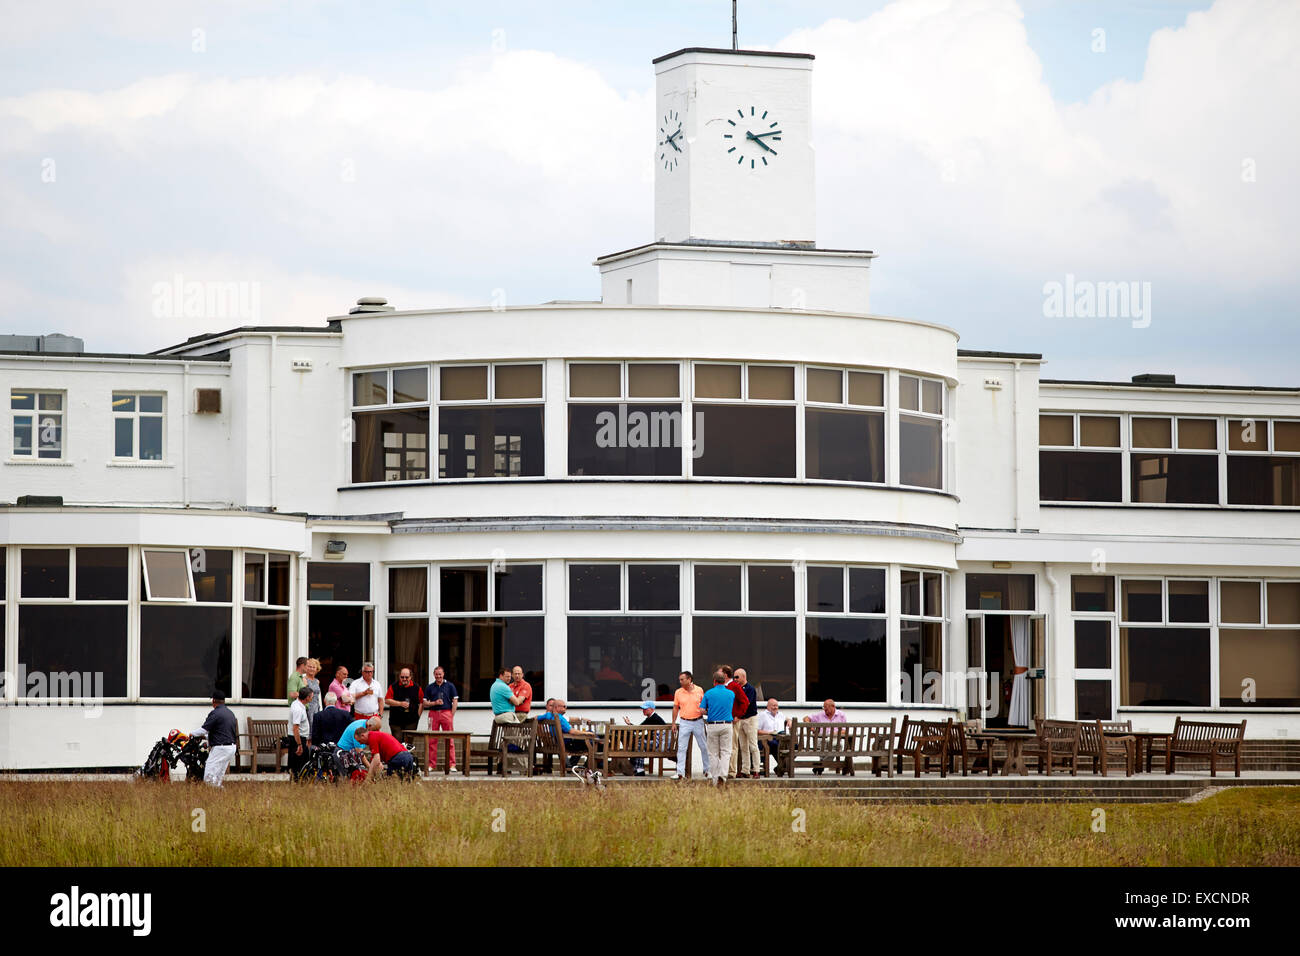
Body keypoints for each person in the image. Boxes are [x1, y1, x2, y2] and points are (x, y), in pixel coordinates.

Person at [191, 692, 238, 787]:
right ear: (224, 701)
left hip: (220, 748)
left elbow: (204, 730)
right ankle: (219, 794)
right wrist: (205, 737)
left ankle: (211, 793)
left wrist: (192, 734)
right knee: (218, 775)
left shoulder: (215, 713)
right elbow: (221, 733)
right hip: (231, 748)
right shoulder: (230, 713)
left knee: (209, 776)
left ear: (213, 701)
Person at [700, 671, 736, 787]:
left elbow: (701, 710)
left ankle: (715, 780)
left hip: (713, 725)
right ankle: (723, 775)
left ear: (714, 681)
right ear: (724, 681)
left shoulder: (708, 693)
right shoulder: (731, 694)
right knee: (726, 752)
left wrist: (709, 711)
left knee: (713, 753)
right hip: (727, 725)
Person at [421, 665, 459, 770]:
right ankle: (431, 765)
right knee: (432, 740)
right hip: (433, 713)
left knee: (450, 739)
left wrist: (451, 714)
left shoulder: (450, 686)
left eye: (440, 674)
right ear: (434, 675)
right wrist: (434, 703)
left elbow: (455, 700)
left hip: (446, 712)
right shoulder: (430, 687)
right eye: (436, 674)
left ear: (443, 674)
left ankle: (452, 764)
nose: (438, 676)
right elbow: (424, 703)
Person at [672, 670, 707, 780]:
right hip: (684, 721)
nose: (680, 682)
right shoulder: (678, 692)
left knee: (704, 746)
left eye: (682, 679)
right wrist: (673, 722)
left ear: (689, 679)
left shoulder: (699, 690)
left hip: (698, 721)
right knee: (682, 748)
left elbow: (705, 705)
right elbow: (675, 707)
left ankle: (707, 770)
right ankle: (680, 773)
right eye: (680, 680)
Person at [721, 665, 752, 779]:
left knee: (732, 746)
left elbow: (745, 701)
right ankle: (724, 769)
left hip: (732, 720)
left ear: (725, 674)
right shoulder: (720, 687)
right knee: (723, 747)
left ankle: (732, 771)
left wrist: (739, 715)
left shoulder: (734, 686)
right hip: (722, 720)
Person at [804, 698, 848, 775]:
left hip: (834, 740)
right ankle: (821, 766)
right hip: (822, 740)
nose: (824, 709)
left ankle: (819, 766)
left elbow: (844, 731)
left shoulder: (841, 715)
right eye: (823, 707)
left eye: (826, 708)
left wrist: (833, 734)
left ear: (833, 706)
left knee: (835, 748)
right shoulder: (820, 714)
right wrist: (809, 725)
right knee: (825, 747)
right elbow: (806, 718)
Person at [622, 699, 666, 776]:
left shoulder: (653, 718)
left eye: (646, 709)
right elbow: (639, 729)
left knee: (639, 744)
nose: (643, 710)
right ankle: (637, 768)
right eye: (643, 708)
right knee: (638, 742)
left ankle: (639, 769)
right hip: (657, 742)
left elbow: (639, 729)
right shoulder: (651, 718)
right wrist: (629, 724)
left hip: (659, 744)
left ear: (652, 709)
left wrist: (629, 725)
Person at [733, 668, 760, 779]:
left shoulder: (750, 689)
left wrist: (737, 715)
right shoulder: (736, 688)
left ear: (743, 677)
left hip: (750, 719)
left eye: (737, 677)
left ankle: (756, 770)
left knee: (753, 745)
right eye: (734, 677)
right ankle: (745, 770)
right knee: (743, 746)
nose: (735, 679)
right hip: (740, 719)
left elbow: (745, 703)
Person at [384, 667, 423, 740]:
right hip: (396, 721)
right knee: (397, 741)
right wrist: (400, 703)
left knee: (409, 743)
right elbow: (387, 700)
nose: (404, 679)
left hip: (411, 721)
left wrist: (418, 715)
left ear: (410, 677)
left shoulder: (416, 688)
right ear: (399, 677)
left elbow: (422, 702)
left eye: (406, 677)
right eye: (402, 677)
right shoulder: (393, 686)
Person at [757, 698, 789, 776]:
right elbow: (757, 730)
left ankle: (780, 767)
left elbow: (787, 718)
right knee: (776, 745)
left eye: (777, 706)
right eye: (773, 706)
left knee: (795, 746)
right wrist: (769, 733)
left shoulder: (780, 714)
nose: (775, 707)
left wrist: (789, 721)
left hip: (781, 738)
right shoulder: (762, 715)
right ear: (768, 706)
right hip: (767, 739)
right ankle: (784, 766)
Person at [287, 686, 313, 778]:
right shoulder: (298, 709)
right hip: (297, 739)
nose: (312, 698)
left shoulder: (298, 704)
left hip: (301, 738)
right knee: (299, 763)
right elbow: (295, 728)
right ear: (307, 698)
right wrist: (299, 744)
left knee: (303, 762)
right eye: (311, 696)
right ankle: (297, 781)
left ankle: (299, 780)